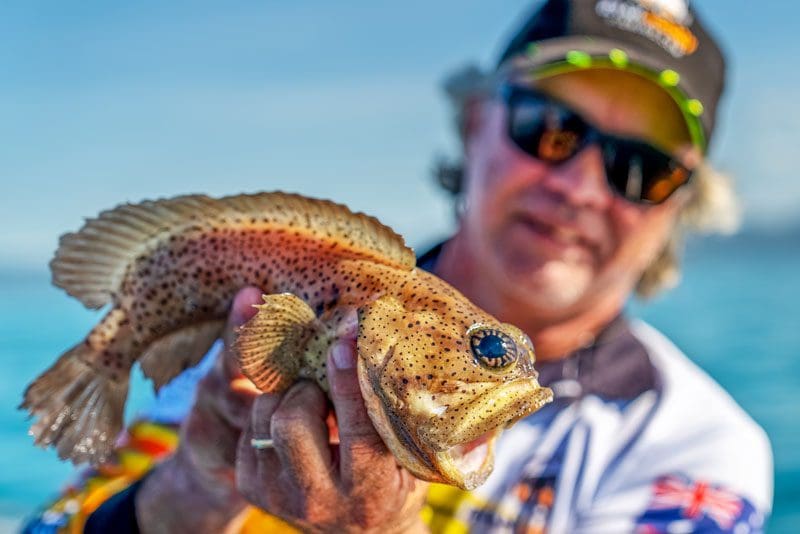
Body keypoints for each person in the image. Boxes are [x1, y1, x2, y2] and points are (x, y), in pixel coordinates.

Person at [24, 0, 772, 532]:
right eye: (548, 129)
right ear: (476, 123)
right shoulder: (240, 332)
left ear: (685, 207)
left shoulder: (696, 449)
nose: (577, 187)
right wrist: (185, 494)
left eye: (641, 170)